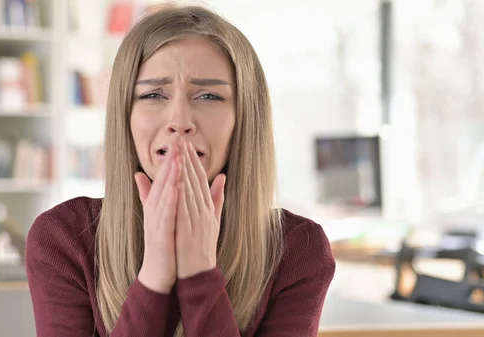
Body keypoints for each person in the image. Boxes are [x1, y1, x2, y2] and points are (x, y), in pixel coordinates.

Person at [25, 4, 335, 337]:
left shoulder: (298, 249)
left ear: (244, 118)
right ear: (124, 116)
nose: (180, 122)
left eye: (209, 95)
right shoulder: (63, 238)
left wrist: (199, 274)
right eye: (153, 94)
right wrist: (155, 274)